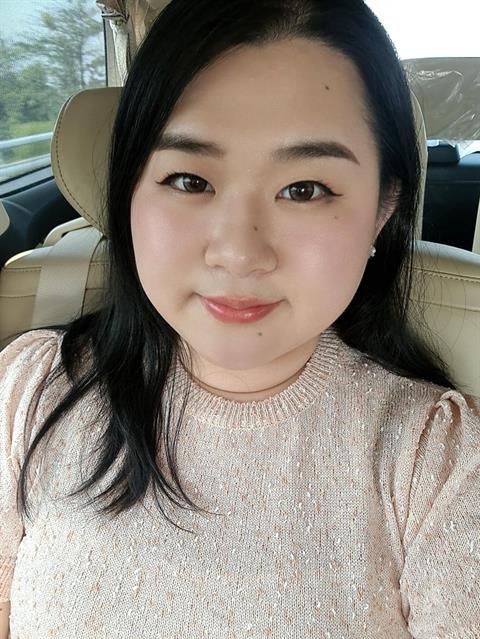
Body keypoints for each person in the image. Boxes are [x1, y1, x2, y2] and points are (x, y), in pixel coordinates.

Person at [1, 0, 479, 637]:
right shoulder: (29, 390)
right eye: (189, 180)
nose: (238, 253)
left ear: (383, 209)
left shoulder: (440, 464)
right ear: (130, 189)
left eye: (304, 189)